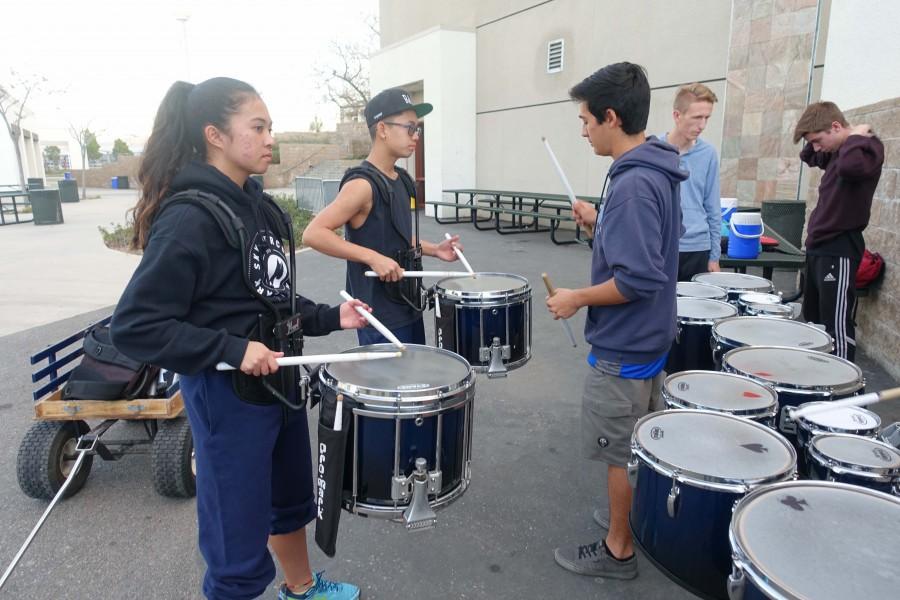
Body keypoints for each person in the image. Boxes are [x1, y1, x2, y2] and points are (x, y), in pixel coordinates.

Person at [110, 77, 366, 600]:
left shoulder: (261, 207)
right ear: (215, 136)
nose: (271, 137)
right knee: (236, 539)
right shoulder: (190, 217)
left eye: (270, 126)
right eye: (258, 126)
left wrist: (330, 318)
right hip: (228, 400)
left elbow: (272, 298)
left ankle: (301, 588)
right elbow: (135, 324)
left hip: (280, 384)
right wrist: (232, 350)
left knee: (289, 501)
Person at [547, 62, 686, 580]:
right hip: (650, 337)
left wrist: (577, 297)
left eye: (585, 120)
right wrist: (599, 224)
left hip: (625, 344)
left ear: (610, 116)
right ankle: (627, 522)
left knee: (620, 450)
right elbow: (644, 253)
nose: (582, 131)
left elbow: (636, 280)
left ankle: (618, 550)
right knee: (637, 442)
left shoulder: (632, 184)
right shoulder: (657, 168)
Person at [302, 88, 461, 345]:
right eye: (410, 128)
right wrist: (372, 258)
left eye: (417, 129)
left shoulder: (401, 180)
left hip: (407, 304)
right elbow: (313, 234)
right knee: (390, 384)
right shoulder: (362, 184)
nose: (416, 136)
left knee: (415, 382)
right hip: (379, 317)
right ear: (383, 129)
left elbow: (392, 236)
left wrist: (435, 250)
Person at [793, 101, 884, 361]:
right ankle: (818, 377)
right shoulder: (838, 150)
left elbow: (850, 168)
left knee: (836, 325)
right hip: (819, 247)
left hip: (840, 247)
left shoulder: (866, 147)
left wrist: (854, 135)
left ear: (836, 126)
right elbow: (808, 156)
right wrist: (817, 139)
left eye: (819, 140)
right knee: (814, 320)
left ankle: (844, 391)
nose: (817, 147)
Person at [659, 83, 722, 280]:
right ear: (677, 116)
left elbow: (713, 207)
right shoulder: (654, 151)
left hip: (698, 249)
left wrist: (714, 257)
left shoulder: (708, 154)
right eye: (697, 118)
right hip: (662, 247)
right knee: (661, 310)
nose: (702, 125)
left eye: (707, 118)